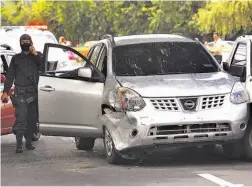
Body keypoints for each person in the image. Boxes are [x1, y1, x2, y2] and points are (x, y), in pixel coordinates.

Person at [1, 34, 43, 153]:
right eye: (23, 41)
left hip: (33, 93)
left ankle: (28, 142)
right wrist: (5, 92)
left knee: (32, 119)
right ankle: (19, 144)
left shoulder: (37, 56)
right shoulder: (16, 59)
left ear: (31, 42)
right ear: (20, 43)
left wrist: (35, 54)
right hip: (20, 93)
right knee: (21, 119)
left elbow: (44, 66)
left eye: (27, 41)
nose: (25, 43)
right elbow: (9, 76)